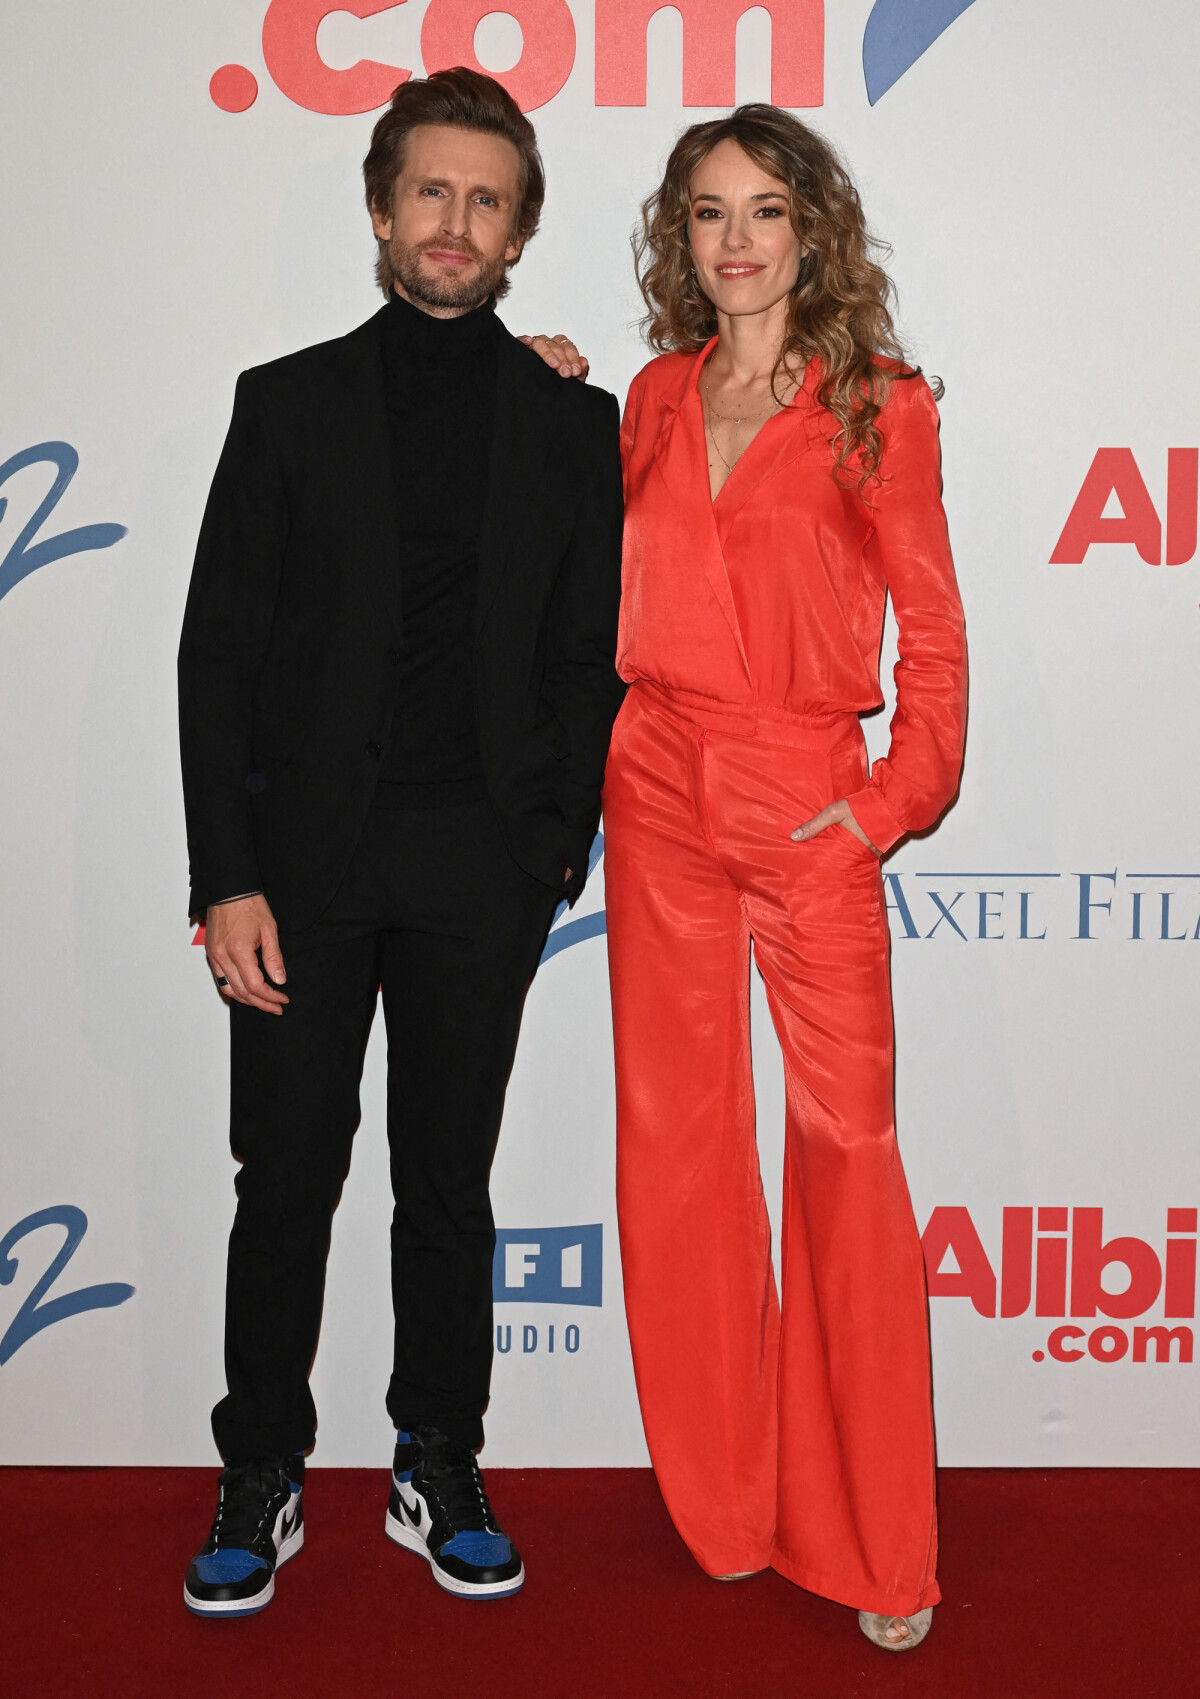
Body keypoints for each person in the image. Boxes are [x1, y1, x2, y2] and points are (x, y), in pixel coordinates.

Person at [177, 67, 622, 1617]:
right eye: (431, 191)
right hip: (299, 874)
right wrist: (222, 876)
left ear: (517, 235)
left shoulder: (572, 421)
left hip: (478, 872)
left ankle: (439, 1451)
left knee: (450, 1182)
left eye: (486, 199)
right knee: (285, 1174)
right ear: (382, 211)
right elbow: (217, 653)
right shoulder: (283, 401)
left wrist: (549, 848)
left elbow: (588, 654)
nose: (455, 221)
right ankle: (262, 1470)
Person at [601, 106, 967, 1651]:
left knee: (845, 1156)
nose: (734, 241)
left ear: (812, 229)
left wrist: (885, 805)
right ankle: (728, 1504)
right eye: (705, 214)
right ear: (677, 239)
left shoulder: (881, 406)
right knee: (679, 1156)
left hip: (808, 800)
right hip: (656, 787)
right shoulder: (651, 397)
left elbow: (935, 642)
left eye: (762, 211)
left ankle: (883, 1541)